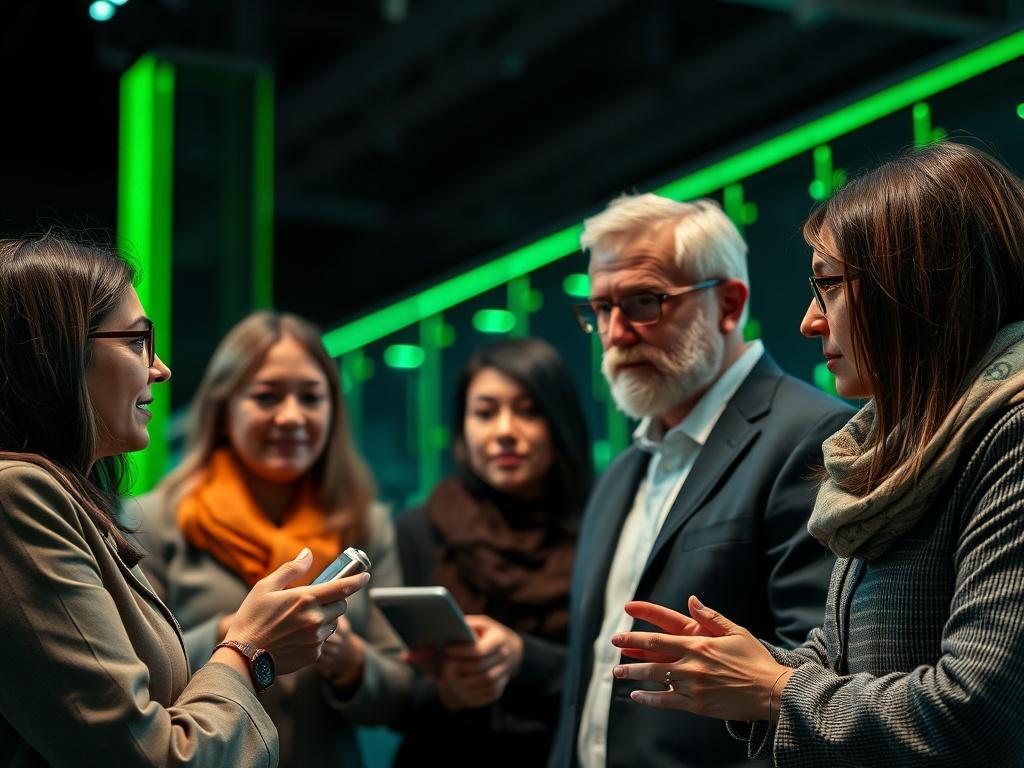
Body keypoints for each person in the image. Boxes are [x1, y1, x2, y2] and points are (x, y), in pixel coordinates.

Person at [609, 142, 1024, 766]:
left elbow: (982, 714)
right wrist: (739, 665)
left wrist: (774, 688)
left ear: (914, 284)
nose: (809, 320)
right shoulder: (901, 442)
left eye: (827, 286)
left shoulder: (1008, 431)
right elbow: (847, 653)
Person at [0, 236, 366, 767]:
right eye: (136, 342)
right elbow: (149, 754)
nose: (160, 368)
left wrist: (355, 663)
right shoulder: (21, 497)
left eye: (312, 397)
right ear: (55, 353)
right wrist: (248, 649)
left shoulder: (66, 500)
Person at [549, 194, 854, 768]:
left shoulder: (811, 436)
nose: (615, 333)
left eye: (643, 303)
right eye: (600, 309)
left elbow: (815, 682)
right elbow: (588, 680)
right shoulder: (619, 473)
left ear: (729, 304)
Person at [126, 311, 411, 768]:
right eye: (266, 396)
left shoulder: (365, 524)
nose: (292, 416)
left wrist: (351, 661)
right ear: (223, 409)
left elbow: (400, 691)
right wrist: (232, 637)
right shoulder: (155, 521)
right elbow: (135, 674)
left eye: (312, 397)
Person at [393, 337, 593, 768]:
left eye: (528, 411)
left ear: (559, 422)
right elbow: (391, 686)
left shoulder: (601, 525)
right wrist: (444, 691)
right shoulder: (420, 528)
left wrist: (524, 656)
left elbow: (619, 669)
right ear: (462, 429)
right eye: (485, 413)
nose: (505, 431)